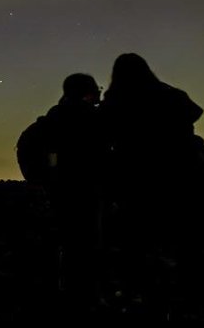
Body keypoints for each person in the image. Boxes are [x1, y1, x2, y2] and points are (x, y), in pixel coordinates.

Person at [98, 53, 204, 299]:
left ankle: (141, 292)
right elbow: (193, 115)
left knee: (138, 240)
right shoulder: (172, 96)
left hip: (135, 179)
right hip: (179, 175)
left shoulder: (114, 102)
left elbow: (103, 137)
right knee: (183, 238)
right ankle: (186, 293)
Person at [16, 73, 108, 302]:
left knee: (58, 249)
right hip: (85, 196)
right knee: (84, 251)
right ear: (87, 93)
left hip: (57, 194)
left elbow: (26, 147)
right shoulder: (95, 121)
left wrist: (39, 181)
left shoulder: (51, 121)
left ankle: (58, 298)